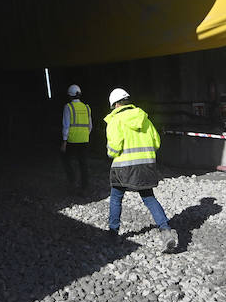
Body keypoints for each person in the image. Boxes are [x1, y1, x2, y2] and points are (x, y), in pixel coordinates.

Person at [104, 88, 176, 253]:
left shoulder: (115, 120)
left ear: (115, 104)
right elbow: (156, 142)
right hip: (145, 166)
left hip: (122, 168)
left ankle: (113, 233)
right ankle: (166, 231)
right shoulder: (145, 119)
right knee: (149, 198)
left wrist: (110, 152)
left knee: (116, 197)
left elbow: (114, 149)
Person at [60, 84, 92, 192]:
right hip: (84, 140)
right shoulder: (87, 107)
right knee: (83, 163)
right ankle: (84, 186)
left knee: (67, 161)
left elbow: (66, 125)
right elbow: (90, 126)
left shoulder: (68, 107)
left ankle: (72, 181)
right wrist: (84, 134)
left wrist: (64, 141)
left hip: (72, 140)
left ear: (69, 95)